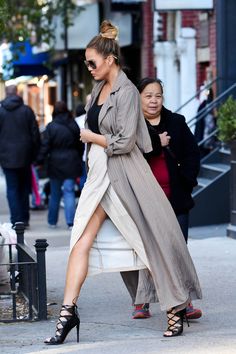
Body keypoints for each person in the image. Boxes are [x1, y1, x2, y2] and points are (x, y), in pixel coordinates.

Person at [44, 20, 202, 345]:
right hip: (98, 176)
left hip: (124, 174)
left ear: (110, 59)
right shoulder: (97, 89)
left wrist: (92, 137)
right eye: (87, 63)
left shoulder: (128, 91)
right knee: (80, 243)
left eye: (92, 62)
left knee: (151, 243)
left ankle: (175, 307)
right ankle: (67, 314)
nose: (88, 68)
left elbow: (126, 141)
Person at [124, 77, 202, 320]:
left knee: (178, 251)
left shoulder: (176, 122)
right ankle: (142, 301)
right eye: (148, 95)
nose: (153, 100)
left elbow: (192, 153)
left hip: (175, 198)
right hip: (144, 201)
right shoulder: (131, 126)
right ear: (138, 97)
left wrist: (187, 180)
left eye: (157, 95)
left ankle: (184, 302)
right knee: (145, 252)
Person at [36, 101, 84, 229]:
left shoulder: (51, 126)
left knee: (55, 193)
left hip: (55, 162)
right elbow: (80, 144)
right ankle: (71, 222)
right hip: (71, 161)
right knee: (69, 192)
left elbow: (45, 146)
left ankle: (52, 221)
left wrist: (39, 160)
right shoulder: (73, 124)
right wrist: (78, 157)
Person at [0, 85, 40, 227]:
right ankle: (24, 218)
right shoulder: (27, 111)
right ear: (17, 93)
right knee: (24, 188)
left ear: (6, 93)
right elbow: (35, 134)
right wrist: (35, 154)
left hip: (6, 157)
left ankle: (16, 220)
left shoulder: (1, 111)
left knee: (12, 188)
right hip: (25, 156)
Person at [194, 87, 216, 157]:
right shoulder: (206, 106)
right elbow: (209, 126)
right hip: (203, 140)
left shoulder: (204, 106)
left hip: (201, 138)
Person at [74, 103, 87, 190]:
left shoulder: (75, 122)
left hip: (81, 155)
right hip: (92, 153)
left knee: (83, 178)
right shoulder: (89, 119)